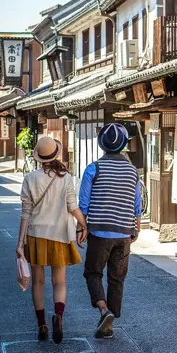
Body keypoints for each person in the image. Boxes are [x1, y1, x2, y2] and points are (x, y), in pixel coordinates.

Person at [16, 137, 88, 344]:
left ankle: (42, 325)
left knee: (38, 281)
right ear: (56, 154)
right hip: (60, 236)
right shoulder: (66, 177)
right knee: (59, 281)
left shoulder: (30, 178)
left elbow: (25, 213)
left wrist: (20, 243)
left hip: (36, 236)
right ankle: (59, 316)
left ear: (38, 158)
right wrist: (83, 224)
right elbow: (73, 207)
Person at [78, 123, 142, 339]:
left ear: (102, 145)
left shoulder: (93, 168)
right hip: (124, 232)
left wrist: (82, 227)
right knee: (117, 277)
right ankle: (110, 320)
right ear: (123, 144)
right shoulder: (133, 171)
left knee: (93, 272)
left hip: (99, 231)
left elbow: (84, 203)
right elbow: (137, 204)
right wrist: (136, 228)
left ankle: (104, 310)